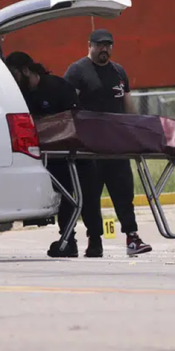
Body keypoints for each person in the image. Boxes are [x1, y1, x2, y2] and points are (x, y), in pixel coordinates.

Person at [64, 29, 152, 258]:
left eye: (109, 45)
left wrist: (135, 133)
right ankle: (95, 241)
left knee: (124, 194)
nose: (105, 49)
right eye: (100, 45)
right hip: (89, 150)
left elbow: (129, 105)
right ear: (90, 45)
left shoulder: (119, 72)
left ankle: (132, 237)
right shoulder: (77, 71)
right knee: (90, 197)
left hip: (117, 147)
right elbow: (67, 107)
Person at [5, 51, 85, 258]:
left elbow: (74, 120)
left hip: (64, 154)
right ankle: (67, 238)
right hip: (34, 154)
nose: (12, 80)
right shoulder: (18, 95)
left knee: (70, 195)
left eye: (13, 75)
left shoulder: (58, 87)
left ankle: (71, 240)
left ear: (25, 71)